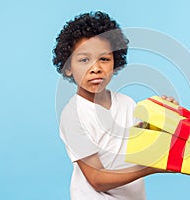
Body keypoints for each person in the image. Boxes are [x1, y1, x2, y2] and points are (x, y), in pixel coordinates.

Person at [52, 11, 178, 200]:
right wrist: (151, 168)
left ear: (115, 62)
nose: (96, 68)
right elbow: (96, 179)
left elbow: (142, 142)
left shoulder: (126, 103)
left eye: (104, 59)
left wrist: (164, 114)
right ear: (68, 68)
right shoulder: (73, 116)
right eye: (84, 60)